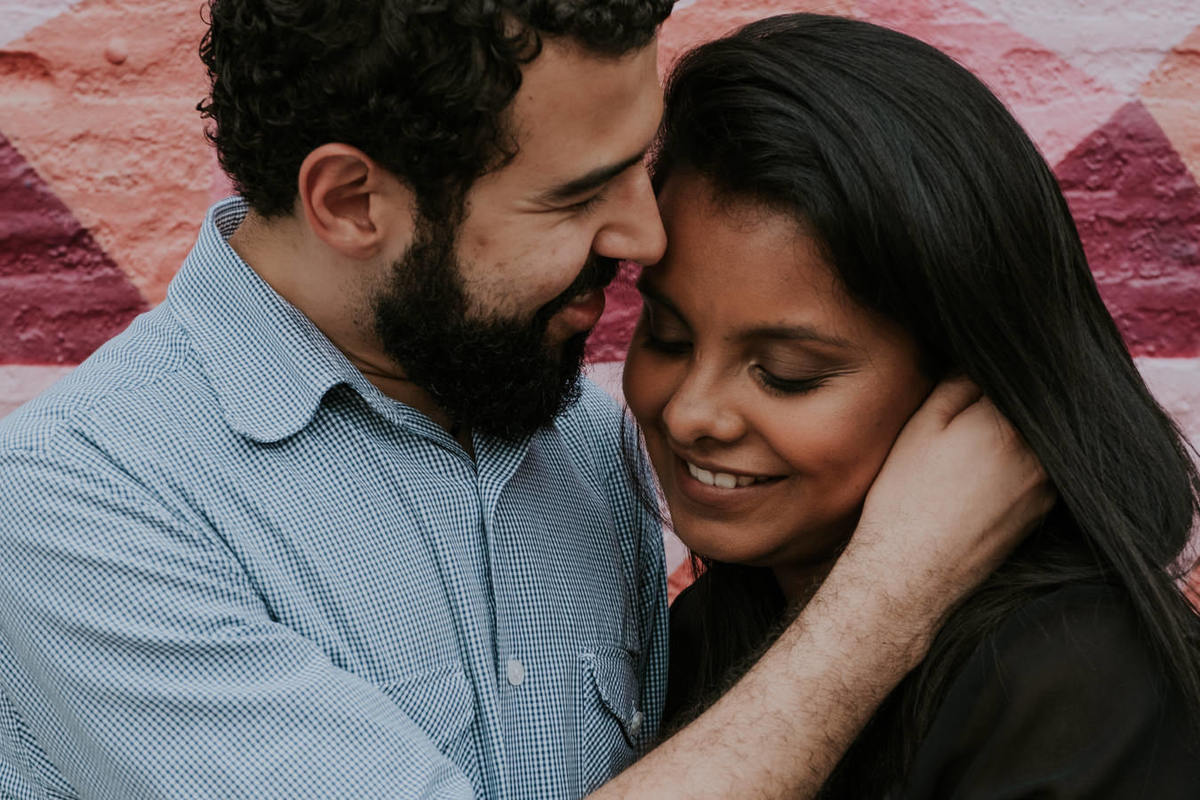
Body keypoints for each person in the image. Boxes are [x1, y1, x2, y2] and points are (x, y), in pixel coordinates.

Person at [0, 4, 1050, 799]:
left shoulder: (584, 436)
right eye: (578, 195)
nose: (643, 237)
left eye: (636, 166)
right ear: (353, 202)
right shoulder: (82, 502)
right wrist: (893, 591)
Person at [624, 13, 1200, 798]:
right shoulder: (699, 638)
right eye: (665, 334)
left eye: (787, 373)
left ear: (965, 387)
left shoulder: (1083, 681)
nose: (693, 412)